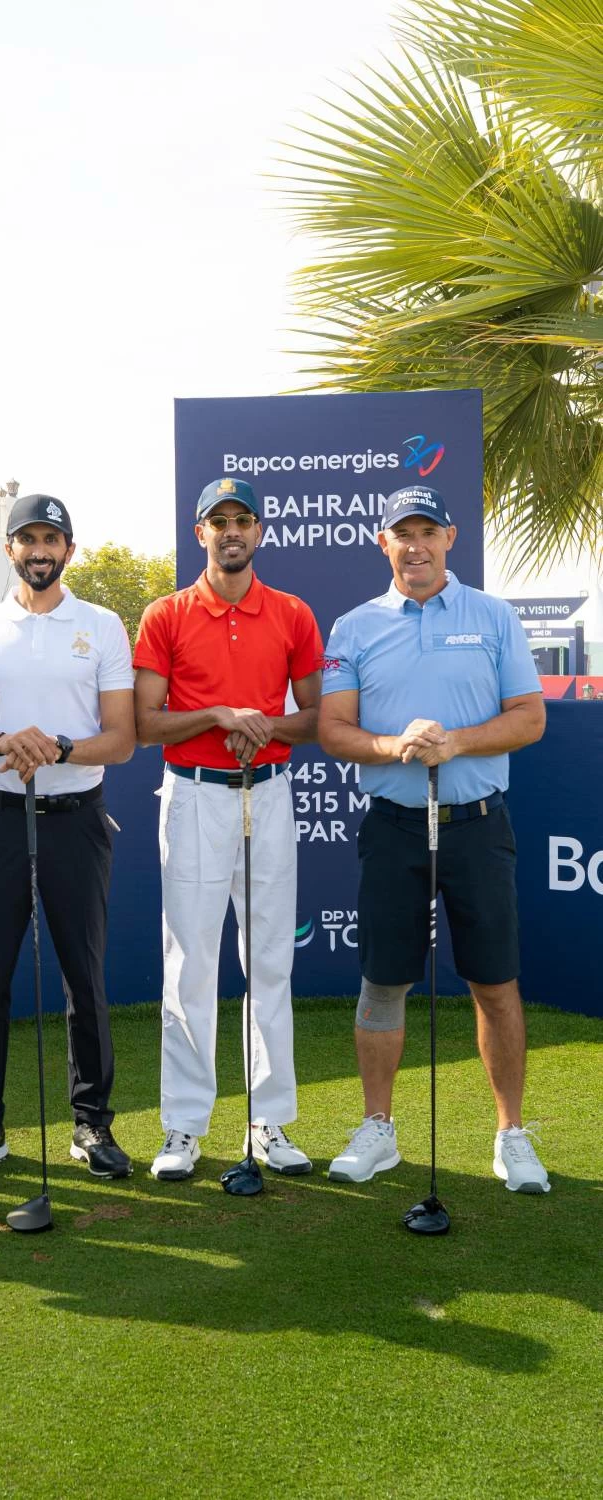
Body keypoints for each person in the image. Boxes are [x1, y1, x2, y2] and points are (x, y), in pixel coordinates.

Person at [319, 484, 550, 1192]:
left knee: (494, 986)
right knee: (381, 984)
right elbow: (332, 729)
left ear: (449, 538)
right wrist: (394, 746)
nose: (413, 545)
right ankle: (377, 1129)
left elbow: (528, 717)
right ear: (381, 543)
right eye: (400, 533)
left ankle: (510, 1134)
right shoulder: (353, 626)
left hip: (477, 828)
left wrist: (455, 743)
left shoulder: (491, 616)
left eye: (427, 532)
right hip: (392, 830)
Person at [0, 493, 136, 1180]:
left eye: (51, 539)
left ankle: (91, 1125)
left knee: (84, 978)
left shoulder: (103, 625)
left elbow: (120, 741)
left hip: (74, 821)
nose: (39, 550)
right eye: (27, 539)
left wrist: (56, 748)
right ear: (9, 549)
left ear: (69, 550)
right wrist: (0, 741)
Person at [134, 477, 323, 1181]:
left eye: (243, 520)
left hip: (267, 792)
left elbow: (316, 718)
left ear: (260, 532)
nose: (231, 531)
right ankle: (183, 1127)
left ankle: (268, 1121)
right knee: (189, 965)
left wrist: (264, 725)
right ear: (200, 533)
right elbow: (144, 724)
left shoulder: (292, 613)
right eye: (219, 521)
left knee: (269, 959)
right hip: (193, 795)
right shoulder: (167, 614)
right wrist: (219, 716)